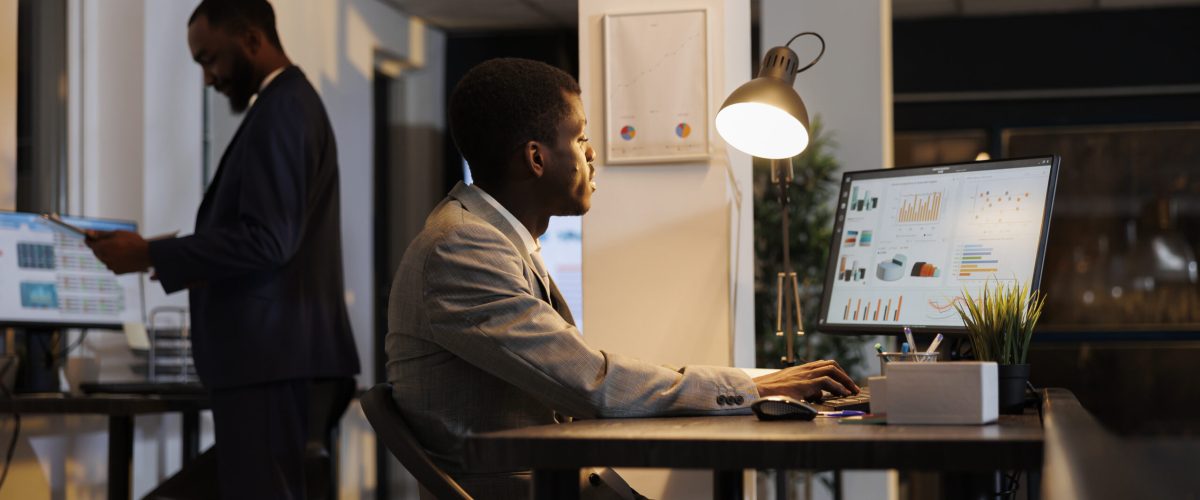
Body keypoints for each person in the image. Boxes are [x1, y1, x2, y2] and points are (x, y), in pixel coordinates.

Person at [385, 57, 859, 499]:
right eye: (579, 137)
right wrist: (754, 388)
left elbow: (585, 378)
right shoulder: (463, 246)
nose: (592, 155)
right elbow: (595, 382)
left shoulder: (486, 236)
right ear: (536, 158)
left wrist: (753, 385)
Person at [86, 1, 360, 498]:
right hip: (280, 360)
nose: (208, 79)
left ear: (252, 40)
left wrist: (149, 255)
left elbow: (268, 239)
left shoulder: (283, 111)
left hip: (274, 362)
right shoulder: (287, 106)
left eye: (210, 59)